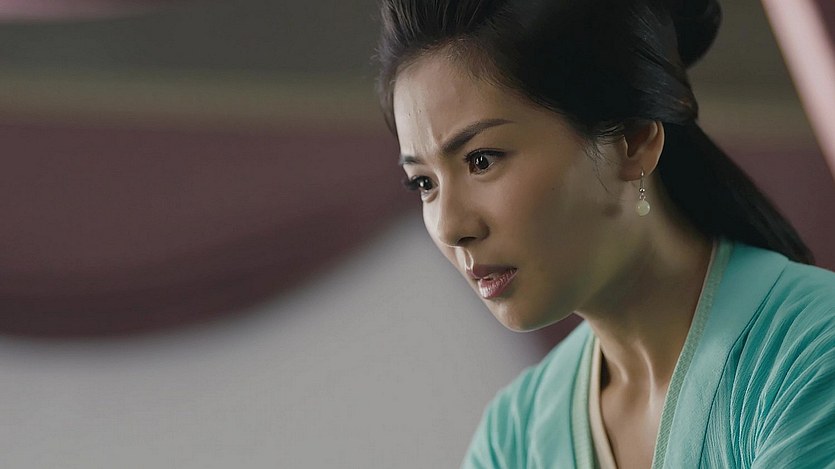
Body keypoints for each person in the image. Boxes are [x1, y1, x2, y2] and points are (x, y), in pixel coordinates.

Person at [374, 0, 835, 467]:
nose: (451, 227)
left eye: (481, 160)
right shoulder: (513, 437)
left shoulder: (812, 353)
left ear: (633, 140)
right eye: (424, 184)